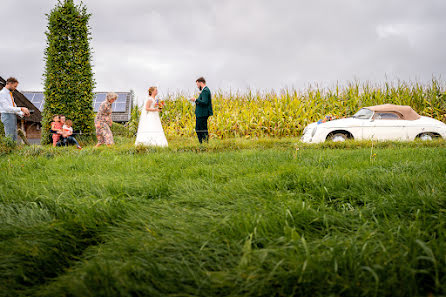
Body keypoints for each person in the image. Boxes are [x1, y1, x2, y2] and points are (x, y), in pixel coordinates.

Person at [0, 77, 30, 142]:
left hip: (12, 116)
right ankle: (9, 151)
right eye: (15, 86)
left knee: (14, 137)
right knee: (9, 137)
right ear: (10, 84)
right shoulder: (2, 94)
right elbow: (6, 108)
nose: (15, 88)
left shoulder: (10, 94)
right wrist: (22, 108)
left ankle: (13, 151)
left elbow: (14, 106)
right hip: (7, 116)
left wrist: (22, 113)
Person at [190, 77, 213, 144]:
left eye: (197, 84)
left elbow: (205, 102)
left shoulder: (205, 90)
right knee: (201, 129)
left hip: (202, 114)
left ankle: (203, 142)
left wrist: (195, 100)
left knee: (200, 129)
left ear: (201, 83)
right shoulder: (204, 91)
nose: (197, 86)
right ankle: (203, 143)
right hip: (201, 113)